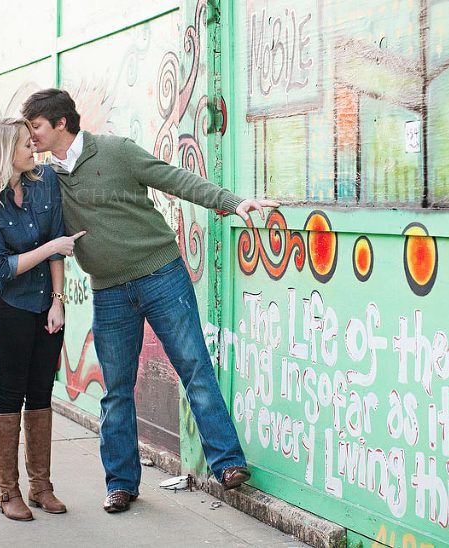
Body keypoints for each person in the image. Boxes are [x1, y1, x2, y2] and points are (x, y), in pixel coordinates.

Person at [21, 89, 279, 513]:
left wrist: (232, 203)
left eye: (35, 127)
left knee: (194, 366)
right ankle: (121, 483)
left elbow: (174, 179)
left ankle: (227, 463)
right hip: (109, 292)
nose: (30, 136)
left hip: (162, 275)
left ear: (60, 123)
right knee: (116, 390)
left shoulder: (116, 151)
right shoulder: (46, 179)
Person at [0, 117, 85, 521]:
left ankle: (41, 488)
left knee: (41, 392)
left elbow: (58, 242)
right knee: (12, 391)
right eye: (26, 144)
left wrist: (58, 301)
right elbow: (0, 267)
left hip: (46, 303)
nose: (34, 148)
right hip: (8, 306)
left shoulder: (44, 182)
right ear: (3, 152)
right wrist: (52, 246)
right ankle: (8, 492)